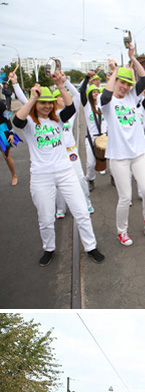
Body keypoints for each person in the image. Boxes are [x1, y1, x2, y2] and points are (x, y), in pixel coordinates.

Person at [12, 76, 104, 267]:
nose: (47, 106)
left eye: (50, 103)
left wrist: (61, 86)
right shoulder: (30, 123)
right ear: (37, 103)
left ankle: (91, 246)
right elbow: (16, 121)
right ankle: (49, 248)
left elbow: (71, 107)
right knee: (45, 218)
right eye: (43, 103)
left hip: (65, 172)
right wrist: (32, 99)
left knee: (81, 212)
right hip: (41, 176)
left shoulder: (59, 119)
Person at [100, 45, 145, 247]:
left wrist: (133, 57)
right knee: (125, 197)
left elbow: (143, 80)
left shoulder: (133, 96)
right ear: (115, 82)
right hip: (119, 157)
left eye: (127, 84)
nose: (124, 87)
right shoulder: (106, 101)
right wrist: (115, 71)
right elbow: (106, 96)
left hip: (139, 154)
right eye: (121, 83)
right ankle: (121, 231)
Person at [53, 75, 94, 217]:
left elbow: (76, 96)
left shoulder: (68, 115)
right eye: (59, 97)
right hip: (57, 154)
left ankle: (87, 203)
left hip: (71, 151)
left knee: (80, 178)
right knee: (59, 183)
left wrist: (65, 83)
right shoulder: (50, 116)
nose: (62, 99)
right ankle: (60, 209)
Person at [79, 73, 105, 191]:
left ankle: (113, 177)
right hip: (91, 137)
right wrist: (86, 79)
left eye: (97, 92)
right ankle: (90, 179)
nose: (96, 94)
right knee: (90, 163)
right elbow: (82, 90)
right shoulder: (86, 105)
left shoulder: (104, 105)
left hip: (105, 137)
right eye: (93, 92)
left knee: (113, 160)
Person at [0, 98, 18, 186]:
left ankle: (14, 175)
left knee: (6, 156)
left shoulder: (1, 103)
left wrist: (11, 133)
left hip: (2, 130)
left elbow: (7, 118)